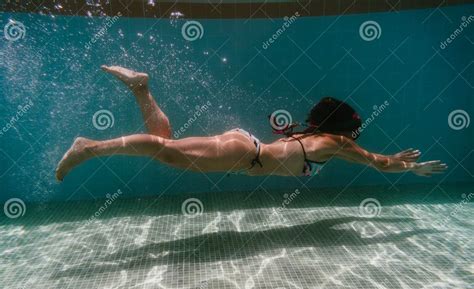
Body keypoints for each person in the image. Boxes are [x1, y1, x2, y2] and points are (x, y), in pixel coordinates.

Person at [55, 66, 447, 182]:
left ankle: (141, 88)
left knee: (166, 147)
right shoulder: (337, 143)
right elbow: (378, 162)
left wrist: (402, 163)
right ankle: (90, 146)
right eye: (352, 129)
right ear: (342, 129)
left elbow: (376, 159)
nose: (353, 136)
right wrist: (410, 166)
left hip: (244, 148)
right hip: (245, 153)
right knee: (167, 151)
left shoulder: (315, 137)